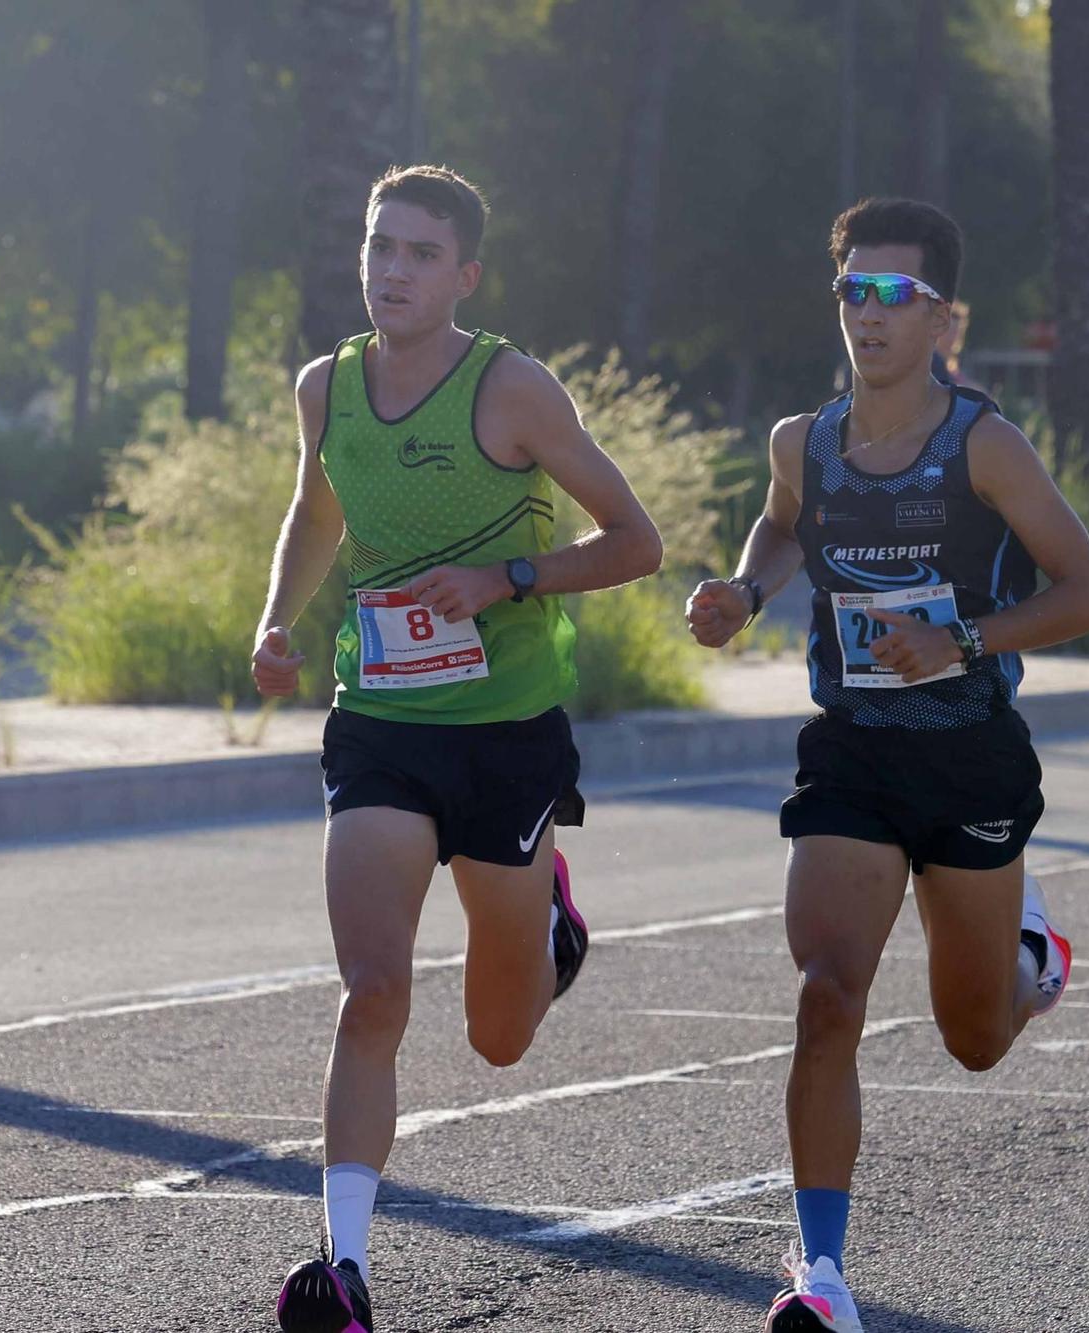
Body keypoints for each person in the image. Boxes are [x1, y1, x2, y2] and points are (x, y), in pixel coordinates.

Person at [684, 197, 1089, 1332]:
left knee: (973, 1040)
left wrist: (964, 639)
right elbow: (782, 522)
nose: (864, 316)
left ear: (941, 317)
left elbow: (1088, 593)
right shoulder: (802, 440)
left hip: (970, 760)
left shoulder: (984, 445)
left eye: (890, 295)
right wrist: (745, 591)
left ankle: (1031, 955)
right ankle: (819, 1279)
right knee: (826, 996)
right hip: (852, 754)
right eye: (848, 292)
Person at [253, 164, 664, 1333]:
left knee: (499, 1034)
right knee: (373, 987)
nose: (393, 271)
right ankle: (343, 1268)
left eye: (421, 254)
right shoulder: (324, 386)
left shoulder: (512, 390)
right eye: (381, 247)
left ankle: (545, 920)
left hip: (505, 739)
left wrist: (506, 578)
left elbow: (634, 539)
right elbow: (314, 509)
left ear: (464, 275)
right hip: (378, 723)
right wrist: (278, 620)